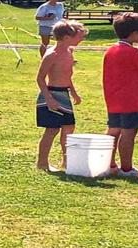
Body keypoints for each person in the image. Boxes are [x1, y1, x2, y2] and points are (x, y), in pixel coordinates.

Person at [103, 12, 138, 178]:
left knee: (113, 131)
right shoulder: (132, 53)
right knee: (128, 133)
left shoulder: (111, 50)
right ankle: (127, 168)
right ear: (134, 34)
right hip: (132, 100)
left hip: (114, 98)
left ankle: (110, 164)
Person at [33, 21, 82, 172]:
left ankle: (66, 162)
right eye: (77, 37)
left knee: (69, 127)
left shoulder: (69, 51)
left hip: (64, 94)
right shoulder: (51, 54)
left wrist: (73, 92)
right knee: (52, 129)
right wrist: (48, 99)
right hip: (52, 93)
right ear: (67, 37)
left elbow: (67, 75)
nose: (80, 40)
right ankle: (42, 163)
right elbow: (40, 78)